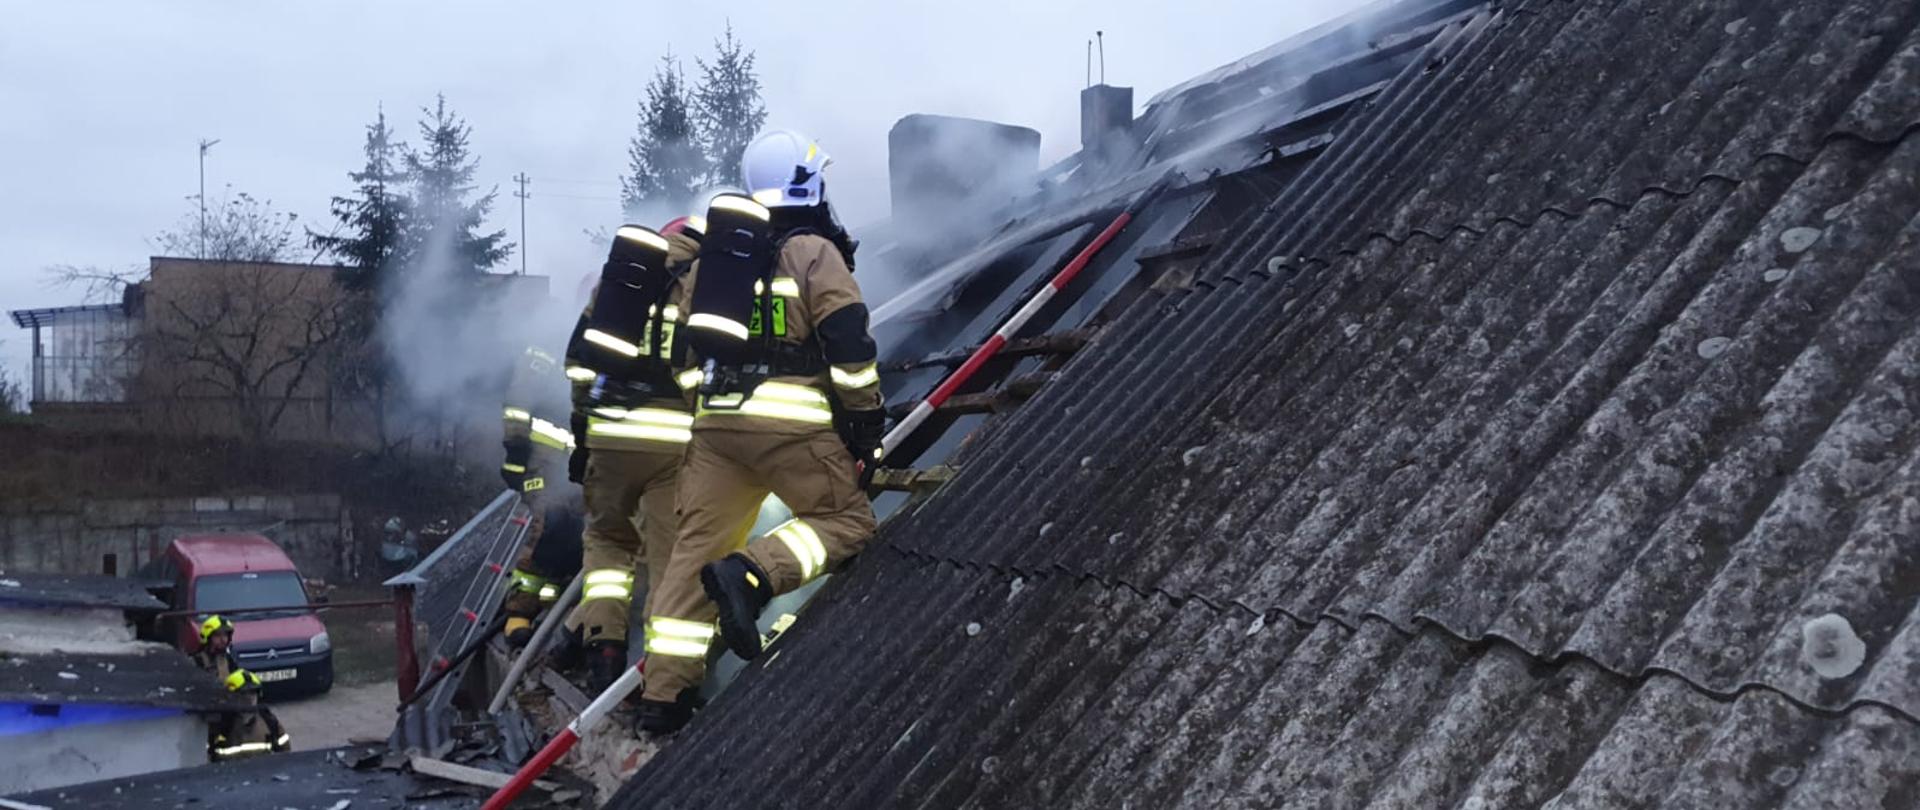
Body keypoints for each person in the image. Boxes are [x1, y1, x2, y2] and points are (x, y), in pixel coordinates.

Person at [637, 130, 885, 734]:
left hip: (715, 431)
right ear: (807, 183)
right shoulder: (810, 252)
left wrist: (716, 403)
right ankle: (753, 574)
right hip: (790, 427)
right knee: (848, 523)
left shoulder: (710, 266)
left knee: (691, 557)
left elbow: (678, 357)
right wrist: (864, 422)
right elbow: (849, 343)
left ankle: (663, 700)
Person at [560, 217, 703, 693]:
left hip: (610, 437)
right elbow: (700, 370)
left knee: (607, 542)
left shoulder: (616, 283)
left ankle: (604, 649)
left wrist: (583, 435)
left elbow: (579, 364)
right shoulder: (700, 283)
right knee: (669, 559)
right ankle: (664, 677)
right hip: (672, 446)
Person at [500, 344, 584, 647]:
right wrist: (516, 452)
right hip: (544, 462)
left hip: (579, 465)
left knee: (576, 538)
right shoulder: (543, 351)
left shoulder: (589, 344)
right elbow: (518, 404)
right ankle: (518, 614)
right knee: (545, 526)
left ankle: (555, 615)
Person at [208, 670, 292, 762]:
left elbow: (285, 756)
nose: (249, 698)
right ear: (230, 696)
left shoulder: (269, 722)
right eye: (243, 694)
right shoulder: (219, 726)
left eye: (253, 692)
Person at [191, 614, 239, 680]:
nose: (223, 640)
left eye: (225, 635)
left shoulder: (229, 658)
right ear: (208, 637)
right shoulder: (197, 660)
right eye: (218, 635)